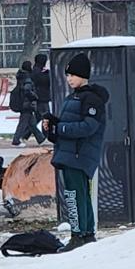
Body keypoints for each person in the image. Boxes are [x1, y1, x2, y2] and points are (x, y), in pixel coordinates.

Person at [42, 53, 109, 253]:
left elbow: (88, 127)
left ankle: (78, 235)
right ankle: (86, 234)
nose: (69, 79)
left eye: (73, 75)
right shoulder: (73, 97)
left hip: (79, 156)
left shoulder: (90, 99)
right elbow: (68, 125)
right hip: (70, 154)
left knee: (74, 195)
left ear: (83, 75)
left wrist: (60, 128)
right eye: (68, 75)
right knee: (80, 195)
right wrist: (52, 126)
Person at [11, 60, 44, 146]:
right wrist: (34, 96)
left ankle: (41, 138)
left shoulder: (20, 77)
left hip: (23, 103)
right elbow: (27, 90)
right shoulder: (27, 78)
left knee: (32, 123)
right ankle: (16, 140)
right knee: (23, 123)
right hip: (27, 104)